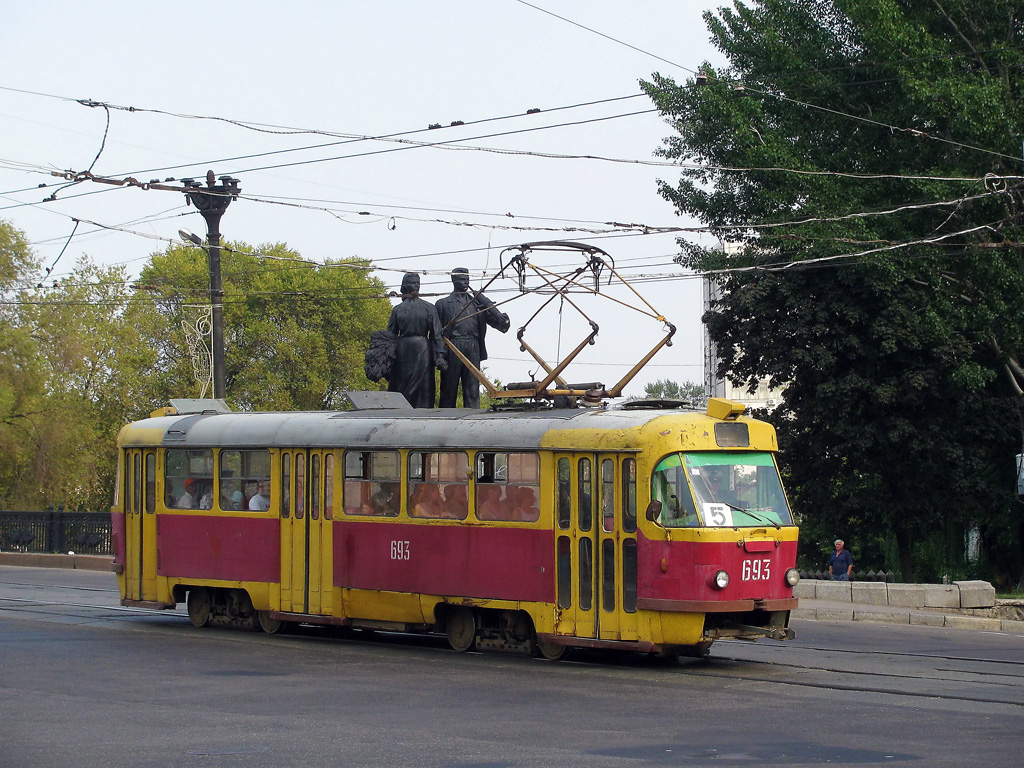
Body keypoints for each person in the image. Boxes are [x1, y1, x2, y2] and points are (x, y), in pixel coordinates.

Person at [434, 267, 510, 409]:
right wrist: (439, 355)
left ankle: (473, 418)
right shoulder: (442, 304)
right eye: (462, 279)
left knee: (472, 389)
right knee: (449, 388)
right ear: (454, 280)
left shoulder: (477, 303)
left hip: (473, 347)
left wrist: (503, 320)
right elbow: (436, 333)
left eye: (467, 279)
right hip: (452, 346)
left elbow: (498, 324)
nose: (466, 282)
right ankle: (444, 417)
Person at [385, 273, 447, 408]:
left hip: (424, 349)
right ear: (405, 285)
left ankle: (423, 410)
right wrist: (386, 358)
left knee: (424, 385)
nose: (416, 286)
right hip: (403, 350)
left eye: (418, 283)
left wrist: (440, 355)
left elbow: (437, 333)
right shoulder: (397, 310)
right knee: (402, 384)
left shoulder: (429, 307)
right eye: (413, 283)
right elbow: (390, 334)